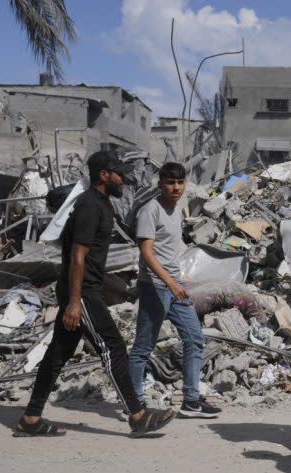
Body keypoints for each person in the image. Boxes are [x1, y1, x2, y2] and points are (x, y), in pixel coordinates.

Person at [15, 150, 174, 438]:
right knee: (112, 347)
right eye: (119, 174)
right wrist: (75, 302)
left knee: (57, 355)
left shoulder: (101, 204)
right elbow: (78, 256)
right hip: (83, 292)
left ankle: (30, 418)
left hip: (82, 291)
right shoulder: (90, 205)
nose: (124, 179)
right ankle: (137, 415)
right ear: (104, 175)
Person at [128, 162, 221, 418]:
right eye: (170, 182)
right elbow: (146, 253)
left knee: (194, 339)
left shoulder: (177, 209)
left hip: (175, 286)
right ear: (160, 184)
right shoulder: (150, 211)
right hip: (155, 287)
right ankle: (134, 404)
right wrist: (170, 282)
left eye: (180, 182)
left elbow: (169, 250)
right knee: (143, 348)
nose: (176, 187)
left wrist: (179, 280)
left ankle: (191, 401)